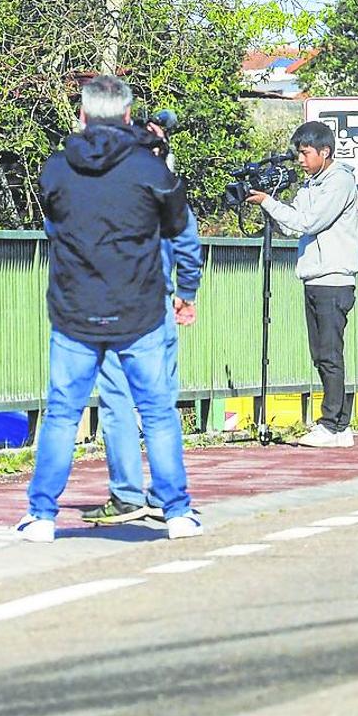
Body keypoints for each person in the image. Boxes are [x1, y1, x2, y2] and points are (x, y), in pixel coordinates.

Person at [17, 75, 198, 542]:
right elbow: (179, 232)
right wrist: (187, 289)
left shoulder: (56, 170)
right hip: (139, 309)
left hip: (74, 310)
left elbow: (54, 228)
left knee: (61, 412)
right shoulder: (151, 171)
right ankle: (177, 512)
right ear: (126, 115)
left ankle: (41, 515)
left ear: (81, 115)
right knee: (157, 411)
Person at [83, 169, 203, 524]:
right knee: (161, 403)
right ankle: (167, 495)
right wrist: (187, 291)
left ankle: (127, 495)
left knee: (117, 398)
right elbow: (189, 240)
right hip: (160, 304)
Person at [247, 121, 358, 448]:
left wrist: (269, 203)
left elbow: (312, 221)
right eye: (298, 153)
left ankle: (333, 424)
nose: (300, 159)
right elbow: (295, 226)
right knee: (320, 353)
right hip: (313, 276)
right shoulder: (310, 185)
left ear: (324, 152)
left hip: (334, 279)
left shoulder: (339, 182)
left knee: (329, 352)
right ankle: (337, 424)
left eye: (305, 152)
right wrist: (270, 208)